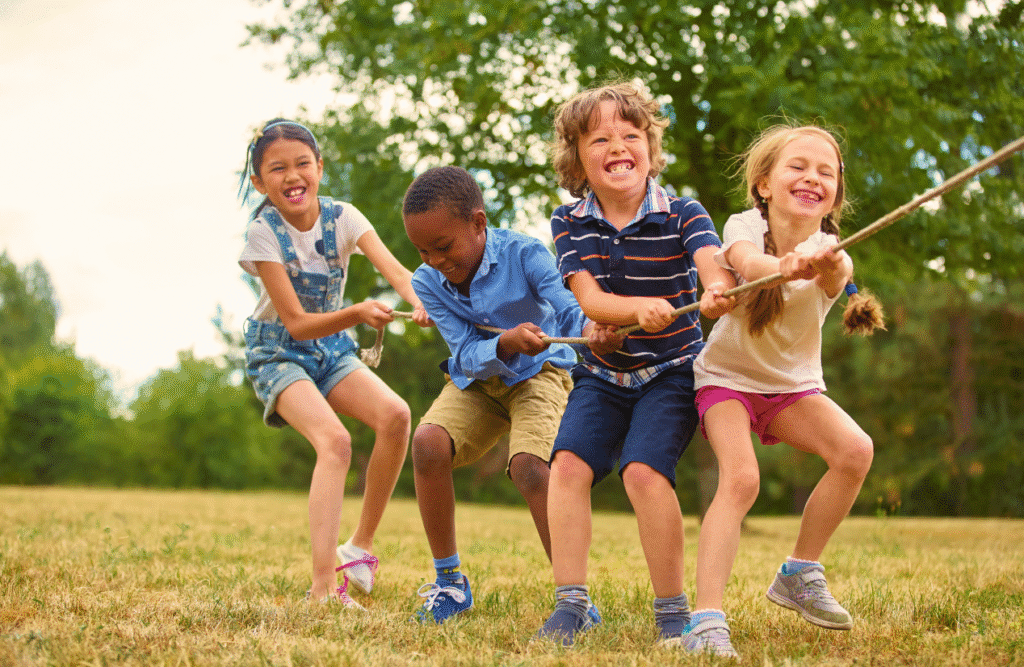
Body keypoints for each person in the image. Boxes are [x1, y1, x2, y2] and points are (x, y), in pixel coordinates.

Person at [534, 82, 736, 648]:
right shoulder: (569, 220)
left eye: (631, 134)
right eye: (599, 138)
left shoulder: (682, 211)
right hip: (603, 374)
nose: (617, 146)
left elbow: (711, 263)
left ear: (650, 146)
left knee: (644, 474)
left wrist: (718, 288)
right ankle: (571, 604)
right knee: (567, 468)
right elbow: (590, 299)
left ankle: (673, 612)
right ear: (577, 158)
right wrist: (632, 309)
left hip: (671, 371)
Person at [686, 124, 884, 659]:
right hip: (726, 381)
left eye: (826, 172)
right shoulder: (744, 224)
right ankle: (704, 620)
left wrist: (820, 264)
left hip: (791, 388)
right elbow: (748, 263)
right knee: (742, 479)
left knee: (855, 450)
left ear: (836, 194)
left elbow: (836, 270)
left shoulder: (833, 250)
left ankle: (799, 571)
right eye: (798, 166)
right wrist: (781, 266)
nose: (812, 178)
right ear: (765, 184)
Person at [401, 166, 617, 624]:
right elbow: (462, 354)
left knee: (530, 468)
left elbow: (567, 304)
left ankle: (574, 600)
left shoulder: (526, 254)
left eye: (444, 247)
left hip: (541, 374)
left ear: (478, 224)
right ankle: (450, 583)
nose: (436, 260)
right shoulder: (426, 282)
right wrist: (503, 343)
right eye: (423, 250)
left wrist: (592, 329)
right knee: (427, 444)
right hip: (479, 381)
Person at [238, 118, 431, 608]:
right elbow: (298, 322)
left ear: (319, 168)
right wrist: (359, 311)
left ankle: (358, 550)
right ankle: (323, 587)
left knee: (396, 415)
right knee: (336, 442)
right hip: (279, 350)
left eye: (302, 163)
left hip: (332, 349)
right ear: (260, 182)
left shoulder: (344, 217)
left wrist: (423, 301)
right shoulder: (262, 235)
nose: (292, 175)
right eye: (277, 169)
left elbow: (397, 271)